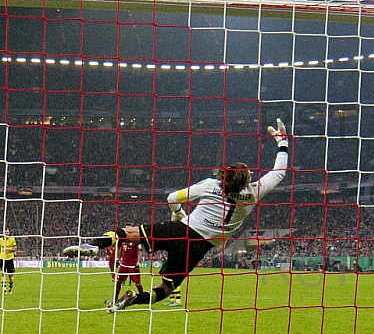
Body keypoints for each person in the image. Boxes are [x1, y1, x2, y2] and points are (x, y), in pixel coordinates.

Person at [64, 118, 289, 312]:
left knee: (130, 232)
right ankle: (132, 300)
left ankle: (93, 246)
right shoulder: (254, 194)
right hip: (202, 246)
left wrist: (178, 214)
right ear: (246, 182)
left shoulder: (210, 185)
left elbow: (172, 197)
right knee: (165, 289)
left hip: (182, 230)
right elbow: (278, 173)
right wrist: (282, 143)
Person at [113, 228, 145, 302]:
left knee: (138, 284)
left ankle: (143, 298)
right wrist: (117, 259)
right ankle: (115, 299)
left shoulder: (136, 242)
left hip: (133, 265)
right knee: (118, 282)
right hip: (124, 265)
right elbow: (119, 250)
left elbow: (140, 253)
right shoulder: (123, 241)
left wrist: (138, 263)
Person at [1, 228, 17, 294]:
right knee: (2, 274)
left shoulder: (12, 239)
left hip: (9, 259)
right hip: (2, 259)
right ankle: (4, 290)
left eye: (7, 232)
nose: (6, 234)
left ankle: (10, 289)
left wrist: (7, 250)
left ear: (9, 233)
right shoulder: (0, 240)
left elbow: (15, 249)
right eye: (5, 232)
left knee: (10, 275)